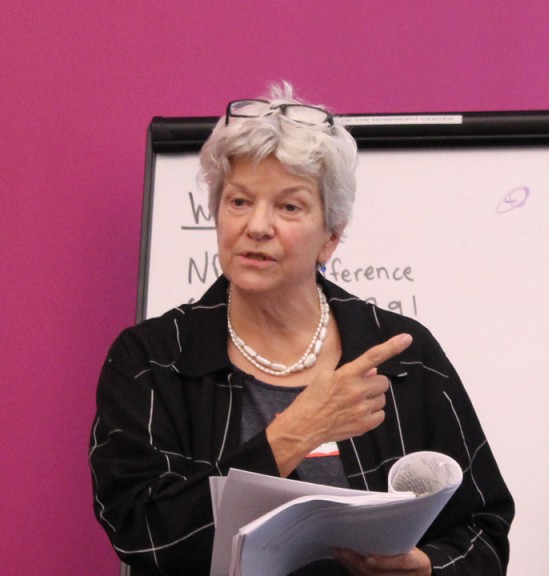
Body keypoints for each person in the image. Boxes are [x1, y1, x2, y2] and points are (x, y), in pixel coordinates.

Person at [89, 83, 514, 576]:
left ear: (330, 237)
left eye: (289, 207)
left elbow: (484, 529)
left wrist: (426, 568)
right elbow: (142, 535)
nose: (257, 226)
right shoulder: (153, 360)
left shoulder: (402, 356)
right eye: (239, 201)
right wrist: (295, 432)